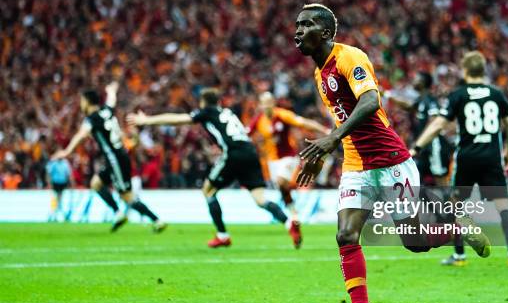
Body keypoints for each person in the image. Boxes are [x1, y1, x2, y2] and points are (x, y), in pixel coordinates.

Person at [294, 4, 490, 303]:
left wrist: (331, 139)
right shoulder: (319, 73)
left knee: (414, 242)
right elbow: (344, 119)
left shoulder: (349, 57)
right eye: (297, 25)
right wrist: (325, 153)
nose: (298, 30)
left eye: (307, 24)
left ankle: (458, 229)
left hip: (390, 162)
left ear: (326, 32)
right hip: (357, 164)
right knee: (345, 234)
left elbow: (372, 102)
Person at [127, 88, 302, 248]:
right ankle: (289, 223)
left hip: (234, 153)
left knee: (208, 190)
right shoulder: (227, 112)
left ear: (203, 103)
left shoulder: (207, 112)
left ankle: (222, 235)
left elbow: (179, 119)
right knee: (259, 199)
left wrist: (147, 120)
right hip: (250, 152)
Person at [413, 51, 508, 268]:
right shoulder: (496, 94)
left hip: (467, 157)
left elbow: (438, 125)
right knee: (504, 207)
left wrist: (417, 147)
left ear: (465, 71)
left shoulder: (458, 95)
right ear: (483, 70)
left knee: (455, 207)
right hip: (492, 157)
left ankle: (459, 256)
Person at [52, 82, 167, 233]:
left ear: (87, 101)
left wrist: (67, 151)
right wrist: (111, 90)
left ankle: (157, 220)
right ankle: (118, 213)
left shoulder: (92, 119)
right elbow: (111, 100)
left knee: (126, 196)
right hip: (116, 157)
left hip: (115, 159)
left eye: (81, 101)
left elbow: (81, 135)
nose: (81, 105)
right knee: (96, 184)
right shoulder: (106, 111)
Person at [248, 91, 329, 217]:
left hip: (288, 157)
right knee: (282, 188)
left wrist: (325, 130)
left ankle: (293, 208)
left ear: (273, 103)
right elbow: (245, 134)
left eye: (269, 103)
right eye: (264, 104)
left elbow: (303, 122)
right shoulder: (258, 119)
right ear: (260, 105)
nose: (267, 106)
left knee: (281, 182)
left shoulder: (282, 114)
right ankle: (293, 213)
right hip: (272, 161)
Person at [384, 71, 452, 186]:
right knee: (417, 178)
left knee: (440, 179)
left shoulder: (430, 100)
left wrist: (420, 141)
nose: (413, 81)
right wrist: (388, 95)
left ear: (422, 82)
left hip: (434, 145)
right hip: (424, 147)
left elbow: (434, 121)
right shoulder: (421, 100)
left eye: (416, 78)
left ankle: (449, 203)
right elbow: (408, 106)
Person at [45, 156, 73, 221]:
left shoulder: (65, 163)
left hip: (62, 183)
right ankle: (56, 215)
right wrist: (49, 183)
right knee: (56, 199)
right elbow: (49, 173)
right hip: (55, 183)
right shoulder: (53, 163)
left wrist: (71, 183)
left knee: (58, 199)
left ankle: (54, 215)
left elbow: (68, 174)